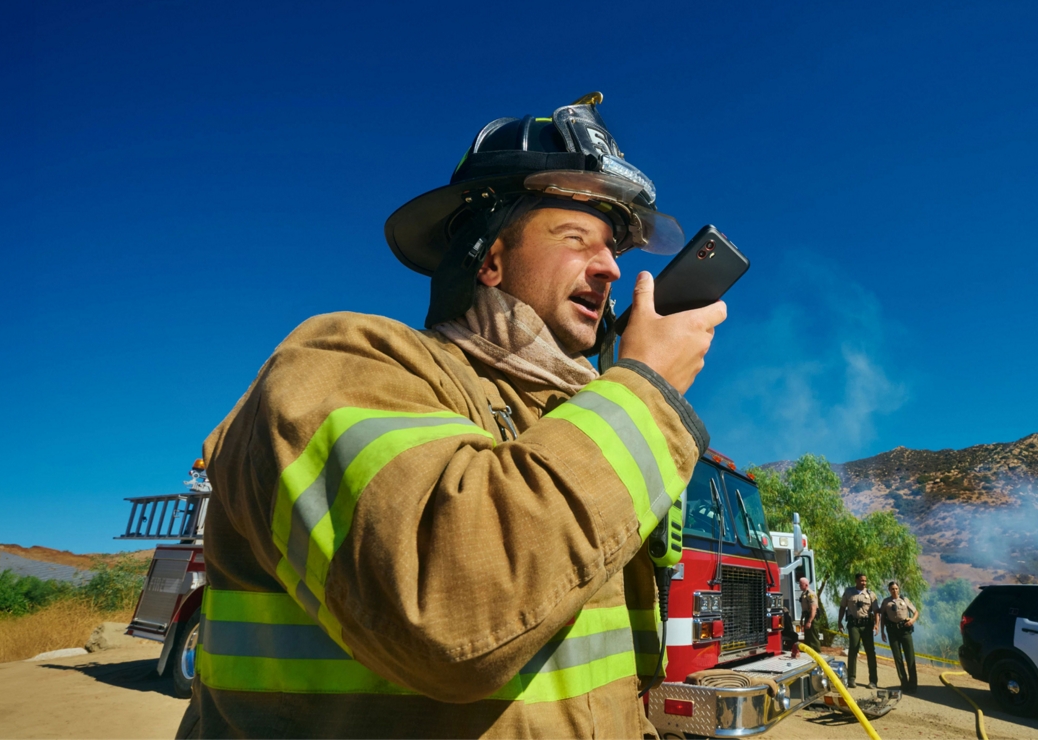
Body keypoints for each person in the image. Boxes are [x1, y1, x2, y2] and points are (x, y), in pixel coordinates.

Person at [175, 93, 726, 738]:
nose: (609, 268)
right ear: (488, 259)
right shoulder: (339, 362)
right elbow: (450, 616)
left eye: (613, 249)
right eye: (577, 239)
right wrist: (648, 390)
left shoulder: (571, 420)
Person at [838, 572, 879, 689]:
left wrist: (877, 625)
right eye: (861, 581)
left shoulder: (871, 594)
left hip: (867, 626)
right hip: (853, 625)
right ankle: (851, 679)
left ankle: (873, 681)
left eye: (865, 581)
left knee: (870, 652)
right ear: (856, 581)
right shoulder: (848, 592)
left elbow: (876, 612)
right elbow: (842, 607)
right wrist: (839, 622)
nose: (864, 583)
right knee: (853, 649)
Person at [880, 580, 920, 693]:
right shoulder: (886, 602)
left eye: (896, 588)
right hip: (892, 631)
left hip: (905, 631)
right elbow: (882, 616)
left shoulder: (904, 599)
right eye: (892, 589)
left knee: (910, 657)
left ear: (899, 589)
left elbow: (916, 612)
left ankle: (913, 685)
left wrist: (912, 620)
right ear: (889, 590)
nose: (894, 590)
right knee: (898, 658)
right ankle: (904, 684)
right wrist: (882, 631)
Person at [798, 576, 821, 651]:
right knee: (807, 639)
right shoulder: (803, 594)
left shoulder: (810, 594)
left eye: (801, 584)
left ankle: (818, 654)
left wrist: (809, 621)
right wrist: (802, 619)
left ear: (806, 585)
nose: (799, 586)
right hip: (807, 617)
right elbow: (804, 609)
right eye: (799, 584)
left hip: (812, 619)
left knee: (814, 638)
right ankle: (809, 654)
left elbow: (813, 609)